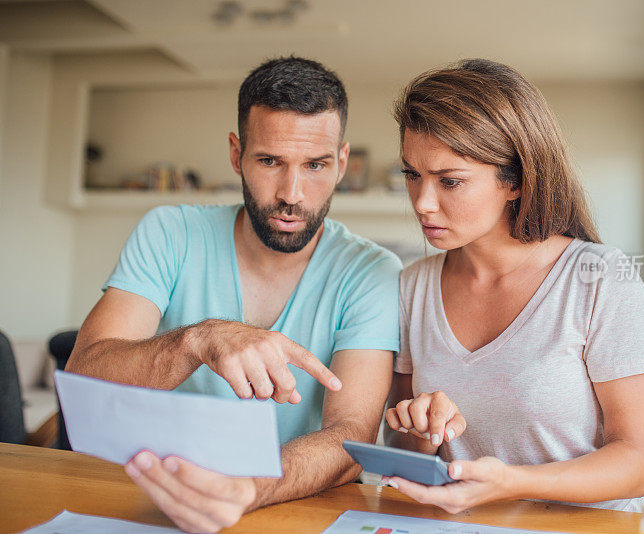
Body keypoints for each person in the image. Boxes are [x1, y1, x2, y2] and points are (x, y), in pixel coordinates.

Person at [66, 57, 401, 532]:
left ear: (342, 162)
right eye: (270, 161)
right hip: (145, 502)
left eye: (316, 165)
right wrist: (197, 340)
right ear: (235, 153)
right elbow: (85, 384)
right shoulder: (169, 233)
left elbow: (351, 437)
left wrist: (247, 486)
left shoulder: (372, 271)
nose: (292, 193)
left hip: (288, 510)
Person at [381, 59, 644, 514]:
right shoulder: (414, 287)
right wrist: (418, 430)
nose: (423, 203)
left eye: (450, 181)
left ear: (515, 181)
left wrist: (510, 482)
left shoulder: (601, 278)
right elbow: (409, 458)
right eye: (412, 175)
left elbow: (638, 462)